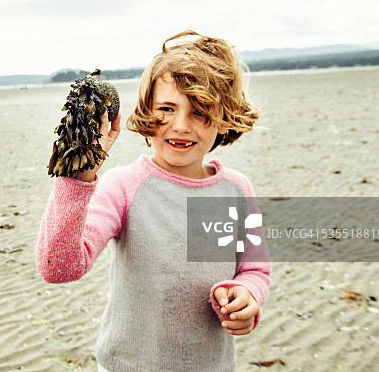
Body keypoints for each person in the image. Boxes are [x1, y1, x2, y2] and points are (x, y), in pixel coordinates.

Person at [36, 31, 271, 372]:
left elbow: (255, 269)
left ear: (224, 117)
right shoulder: (126, 186)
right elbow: (58, 268)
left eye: (200, 112)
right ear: (147, 111)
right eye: (166, 109)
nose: (181, 126)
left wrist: (246, 296)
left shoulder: (236, 190)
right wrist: (78, 175)